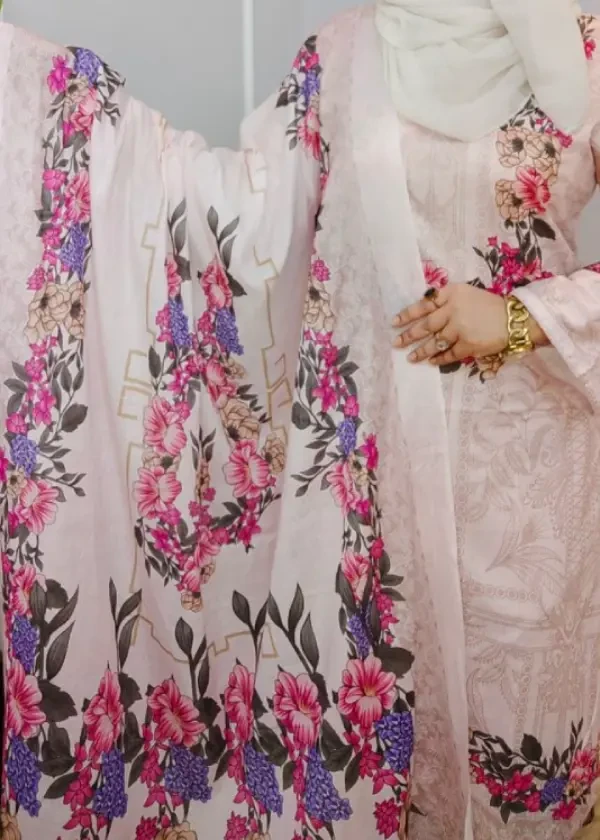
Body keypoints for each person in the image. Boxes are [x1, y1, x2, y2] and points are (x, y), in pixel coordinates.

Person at [1, 1, 600, 838]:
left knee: (522, 778)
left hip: (530, 493)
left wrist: (518, 317)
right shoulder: (346, 54)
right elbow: (245, 219)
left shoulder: (585, 50)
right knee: (397, 758)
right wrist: (59, 103)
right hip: (374, 486)